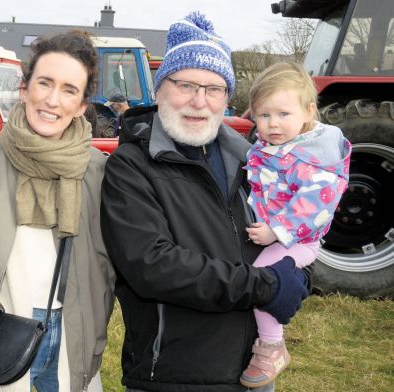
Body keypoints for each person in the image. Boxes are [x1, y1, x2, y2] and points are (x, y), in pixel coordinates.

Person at [100, 12, 312, 392]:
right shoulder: (131, 166)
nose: (199, 101)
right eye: (186, 85)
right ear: (160, 89)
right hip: (176, 377)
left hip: (253, 371)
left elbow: (295, 230)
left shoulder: (254, 162)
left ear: (227, 99)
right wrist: (266, 286)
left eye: (213, 89)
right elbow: (153, 266)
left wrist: (299, 276)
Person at [0, 30, 115, 392]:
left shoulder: (98, 170)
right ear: (24, 89)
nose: (53, 100)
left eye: (69, 90)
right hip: (1, 331)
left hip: (74, 332)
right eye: (45, 83)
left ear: (82, 105)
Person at [240, 62, 351, 388]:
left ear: (308, 112)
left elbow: (315, 205)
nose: (273, 124)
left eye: (283, 114)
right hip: (276, 233)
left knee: (263, 278)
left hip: (298, 240)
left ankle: (272, 347)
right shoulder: (272, 146)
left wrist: (277, 230)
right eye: (263, 115)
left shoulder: (315, 158)